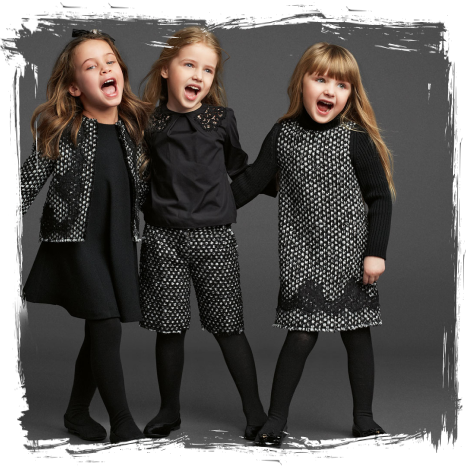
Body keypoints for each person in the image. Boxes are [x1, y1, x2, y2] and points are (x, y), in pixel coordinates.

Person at [230, 42, 395, 449]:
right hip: (302, 255)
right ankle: (276, 419)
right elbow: (251, 182)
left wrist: (375, 253)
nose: (329, 91)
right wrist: (201, 208)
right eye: (320, 79)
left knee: (357, 335)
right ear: (300, 82)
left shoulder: (355, 137)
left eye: (341, 85)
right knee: (300, 336)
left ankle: (364, 418)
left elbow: (379, 197)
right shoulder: (283, 134)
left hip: (351, 256)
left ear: (350, 94)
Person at [15, 29, 152, 450]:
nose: (105, 69)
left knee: (99, 330)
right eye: (91, 66)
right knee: (106, 323)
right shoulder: (63, 130)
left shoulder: (132, 130)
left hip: (118, 243)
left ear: (121, 72)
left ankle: (76, 411)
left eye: (110, 61)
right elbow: (25, 187)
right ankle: (123, 424)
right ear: (75, 87)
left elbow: (147, 193)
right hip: (76, 243)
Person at [138, 26, 271, 440]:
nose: (198, 75)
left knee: (228, 326)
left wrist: (283, 186)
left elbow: (240, 170)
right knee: (169, 328)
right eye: (189, 65)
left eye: (208, 70)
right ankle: (169, 411)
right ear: (166, 69)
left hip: (214, 240)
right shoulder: (149, 122)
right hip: (163, 240)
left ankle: (255, 411)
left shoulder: (220, 120)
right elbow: (140, 180)